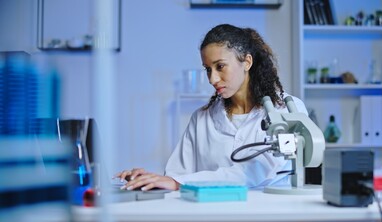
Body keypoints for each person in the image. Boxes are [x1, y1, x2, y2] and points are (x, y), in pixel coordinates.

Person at [115, 24, 308, 191]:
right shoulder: (202, 118)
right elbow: (177, 176)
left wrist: (176, 182)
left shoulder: (287, 111)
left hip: (271, 220)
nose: (212, 79)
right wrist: (148, 181)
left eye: (220, 66)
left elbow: (253, 172)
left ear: (247, 62)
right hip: (212, 219)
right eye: (208, 69)